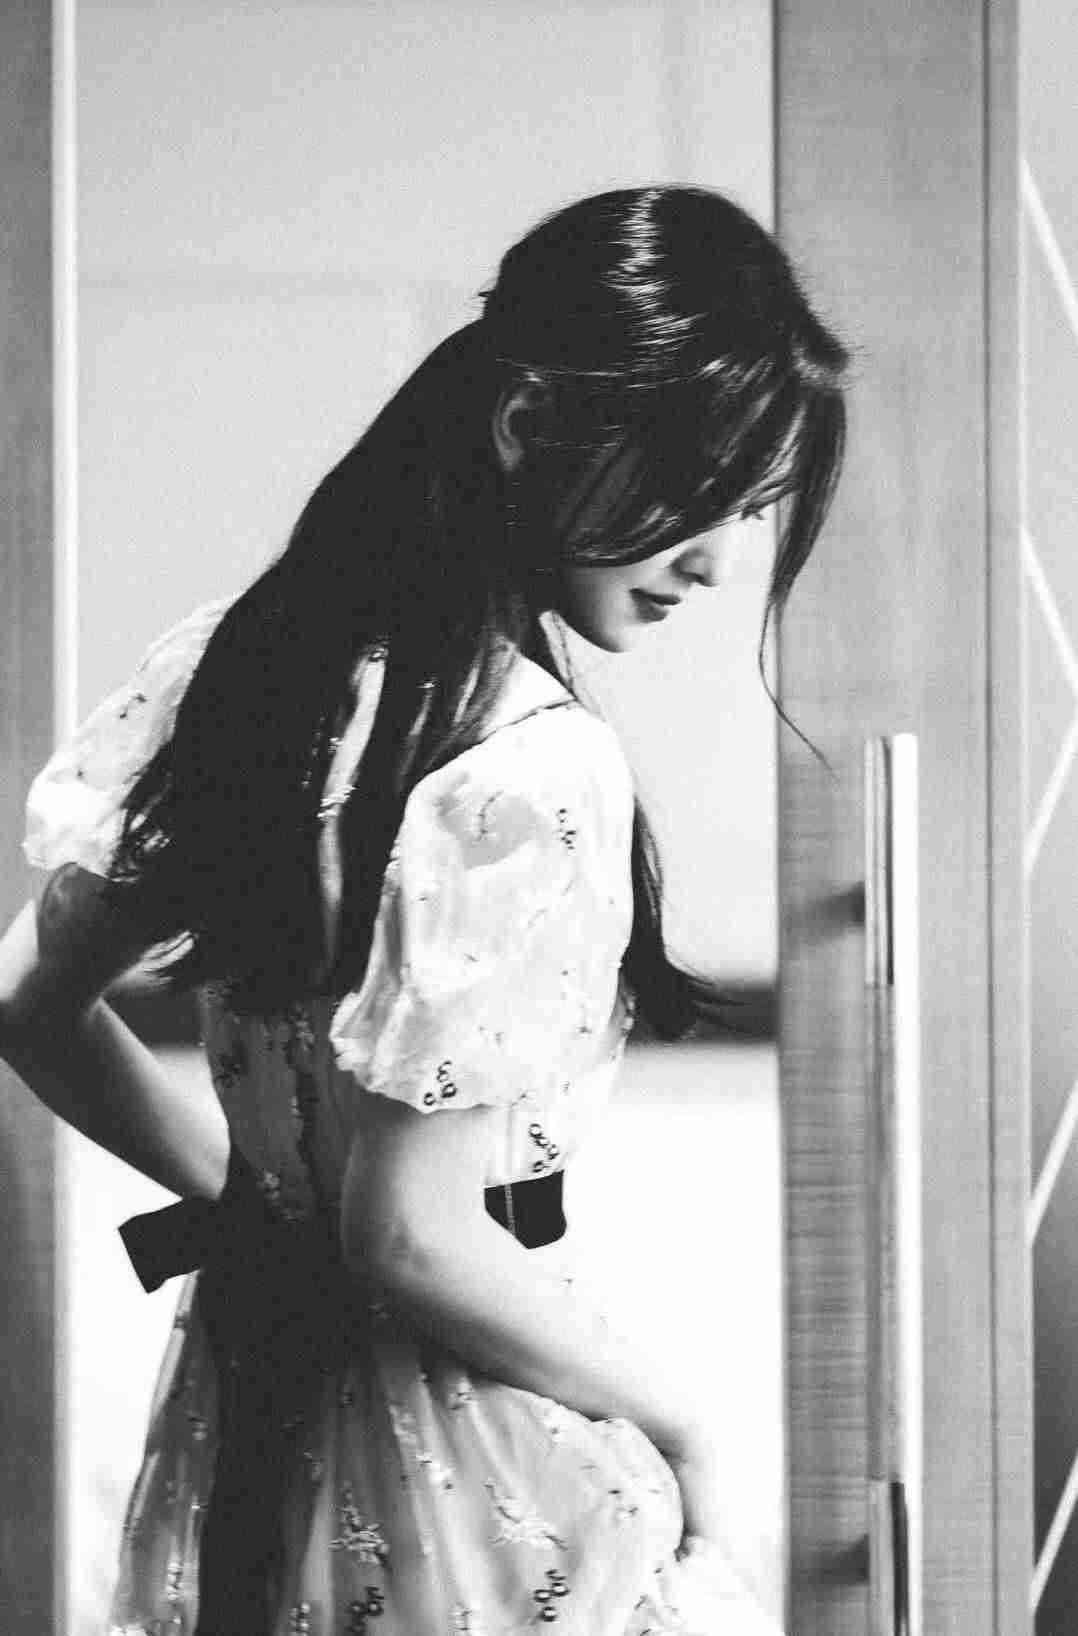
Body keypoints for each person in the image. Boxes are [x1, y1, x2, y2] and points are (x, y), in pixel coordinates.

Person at [0, 185, 846, 1635]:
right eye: (699, 480)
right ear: (528, 424)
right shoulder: (532, 766)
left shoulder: (244, 670)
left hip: (260, 1406)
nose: (717, 559)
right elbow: (416, 1237)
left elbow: (29, 1005)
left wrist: (264, 1210)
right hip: (469, 1457)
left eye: (752, 507)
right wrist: (683, 1422)